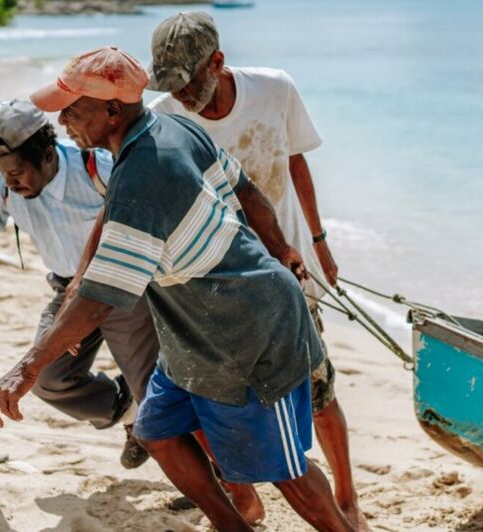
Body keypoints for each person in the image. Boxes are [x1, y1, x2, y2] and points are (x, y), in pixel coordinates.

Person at [0, 46, 354, 532]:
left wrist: (27, 368)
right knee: (157, 430)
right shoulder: (164, 130)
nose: (63, 121)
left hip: (249, 330)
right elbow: (242, 190)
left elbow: (101, 300)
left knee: (283, 468)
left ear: (113, 110)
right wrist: (281, 248)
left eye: (74, 109)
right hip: (192, 328)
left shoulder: (145, 174)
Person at [147, 12, 366, 530]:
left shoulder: (274, 88)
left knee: (318, 390)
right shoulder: (162, 117)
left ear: (217, 63)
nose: (178, 96)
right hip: (212, 284)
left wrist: (317, 242)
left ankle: (348, 496)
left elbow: (295, 163)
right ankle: (244, 498)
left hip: (286, 269)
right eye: (169, 87)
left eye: (186, 84)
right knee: (207, 397)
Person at [0, 99, 159, 469]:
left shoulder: (97, 167)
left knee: (158, 395)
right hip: (66, 292)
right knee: (49, 379)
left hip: (124, 288)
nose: (10, 182)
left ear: (48, 154)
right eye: (3, 173)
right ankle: (128, 413)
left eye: (17, 172)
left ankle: (217, 483)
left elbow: (151, 218)